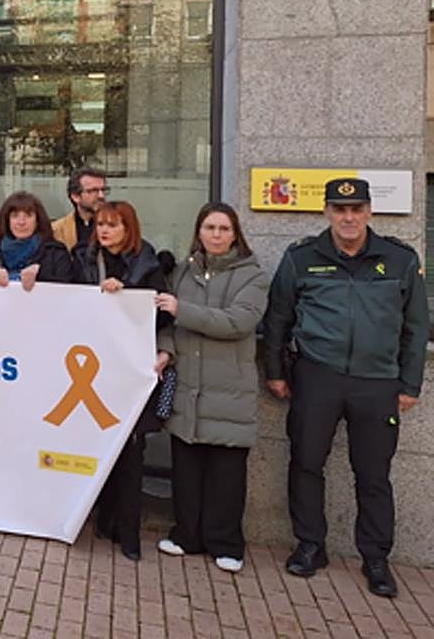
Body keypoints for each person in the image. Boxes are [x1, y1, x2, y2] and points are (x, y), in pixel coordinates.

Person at [262, 178, 427, 598]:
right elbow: (278, 317)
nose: (348, 217)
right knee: (305, 462)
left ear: (370, 211)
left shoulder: (399, 260)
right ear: (327, 213)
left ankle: (375, 558)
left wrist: (410, 384)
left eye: (356, 209)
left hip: (377, 382)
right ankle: (310, 545)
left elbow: (415, 327)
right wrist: (276, 372)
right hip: (318, 375)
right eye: (339, 209)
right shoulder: (302, 258)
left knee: (373, 474)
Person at [152, 203, 269, 573]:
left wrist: (181, 309)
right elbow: (168, 326)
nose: (216, 235)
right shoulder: (182, 273)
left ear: (235, 234)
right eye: (209, 228)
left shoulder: (253, 276)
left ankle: (227, 543)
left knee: (226, 474)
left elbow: (237, 322)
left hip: (228, 391)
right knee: (186, 469)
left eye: (223, 228)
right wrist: (166, 351)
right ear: (198, 232)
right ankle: (187, 535)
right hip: (188, 386)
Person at [74, 200, 171, 561]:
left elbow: (161, 318)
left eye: (113, 225)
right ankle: (104, 521)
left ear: (129, 229)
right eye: (100, 224)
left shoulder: (149, 264)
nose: (104, 230)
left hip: (130, 369)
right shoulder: (82, 260)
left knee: (130, 451)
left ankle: (128, 533)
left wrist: (127, 295)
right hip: (90, 368)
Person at [0, 191, 74, 289]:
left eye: (28, 215)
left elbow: (67, 290)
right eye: (15, 216)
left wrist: (41, 275)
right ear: (7, 220)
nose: (21, 222)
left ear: (38, 221)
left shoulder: (56, 254)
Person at [51, 168, 108, 253]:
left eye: (103, 190)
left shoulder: (119, 227)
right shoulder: (57, 230)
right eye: (93, 191)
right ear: (75, 196)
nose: (101, 196)